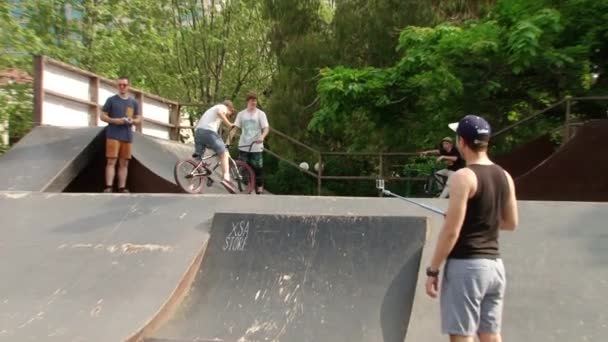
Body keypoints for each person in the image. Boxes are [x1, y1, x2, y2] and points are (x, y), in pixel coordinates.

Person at [425, 115, 519, 342]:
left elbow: (451, 231)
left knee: (462, 335)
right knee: (490, 334)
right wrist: (478, 218)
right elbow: (511, 223)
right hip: (495, 267)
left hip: (467, 266)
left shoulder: (464, 177)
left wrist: (433, 270)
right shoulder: (504, 176)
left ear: (462, 142)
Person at [100, 76, 141, 193]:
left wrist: (132, 121)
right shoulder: (111, 100)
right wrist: (114, 120)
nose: (122, 87)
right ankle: (109, 186)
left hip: (127, 135)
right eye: (120, 85)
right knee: (111, 161)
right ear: (117, 86)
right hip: (113, 134)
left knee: (124, 162)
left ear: (129, 86)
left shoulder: (133, 102)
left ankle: (122, 187)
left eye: (124, 85)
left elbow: (138, 118)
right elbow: (102, 116)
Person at [228, 92, 269, 194]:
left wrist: (262, 137)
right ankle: (248, 186)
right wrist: (228, 141)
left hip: (256, 145)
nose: (254, 102)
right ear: (247, 101)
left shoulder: (261, 114)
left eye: (255, 100)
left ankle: (259, 185)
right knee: (243, 167)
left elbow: (266, 128)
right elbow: (235, 128)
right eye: (252, 100)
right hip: (244, 145)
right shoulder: (241, 114)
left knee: (258, 167)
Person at [193, 100, 237, 193]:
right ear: (229, 108)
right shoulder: (222, 107)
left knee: (197, 160)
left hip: (198, 132)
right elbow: (220, 113)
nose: (228, 115)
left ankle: (190, 185)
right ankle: (226, 178)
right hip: (209, 132)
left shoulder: (211, 110)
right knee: (224, 153)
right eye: (230, 113)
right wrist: (229, 124)